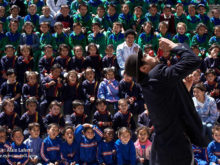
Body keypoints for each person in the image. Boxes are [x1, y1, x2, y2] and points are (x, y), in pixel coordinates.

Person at [125, 37, 207, 164]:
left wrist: (183, 89)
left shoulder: (147, 83)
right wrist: (173, 45)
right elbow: (193, 60)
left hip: (163, 149)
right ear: (144, 68)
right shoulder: (157, 75)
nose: (150, 53)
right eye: (146, 56)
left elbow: (166, 102)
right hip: (176, 149)